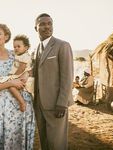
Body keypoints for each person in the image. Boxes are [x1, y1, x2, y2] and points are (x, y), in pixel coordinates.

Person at [0, 23, 35, 149]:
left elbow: (29, 68)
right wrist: (11, 83)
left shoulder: (16, 53)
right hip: (6, 105)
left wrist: (27, 76)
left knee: (22, 136)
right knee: (9, 138)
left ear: (6, 37)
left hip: (24, 101)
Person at [33, 13, 74, 150]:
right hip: (39, 104)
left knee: (57, 143)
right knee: (44, 142)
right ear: (35, 28)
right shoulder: (36, 49)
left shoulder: (62, 46)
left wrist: (62, 103)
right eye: (42, 24)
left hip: (56, 104)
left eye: (49, 23)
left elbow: (67, 77)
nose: (47, 27)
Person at [0, 34, 34, 112]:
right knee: (9, 84)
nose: (16, 48)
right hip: (20, 75)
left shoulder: (25, 56)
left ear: (26, 48)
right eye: (14, 47)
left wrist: (13, 76)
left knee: (11, 86)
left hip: (23, 76)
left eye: (18, 46)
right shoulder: (18, 55)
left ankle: (21, 102)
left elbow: (21, 68)